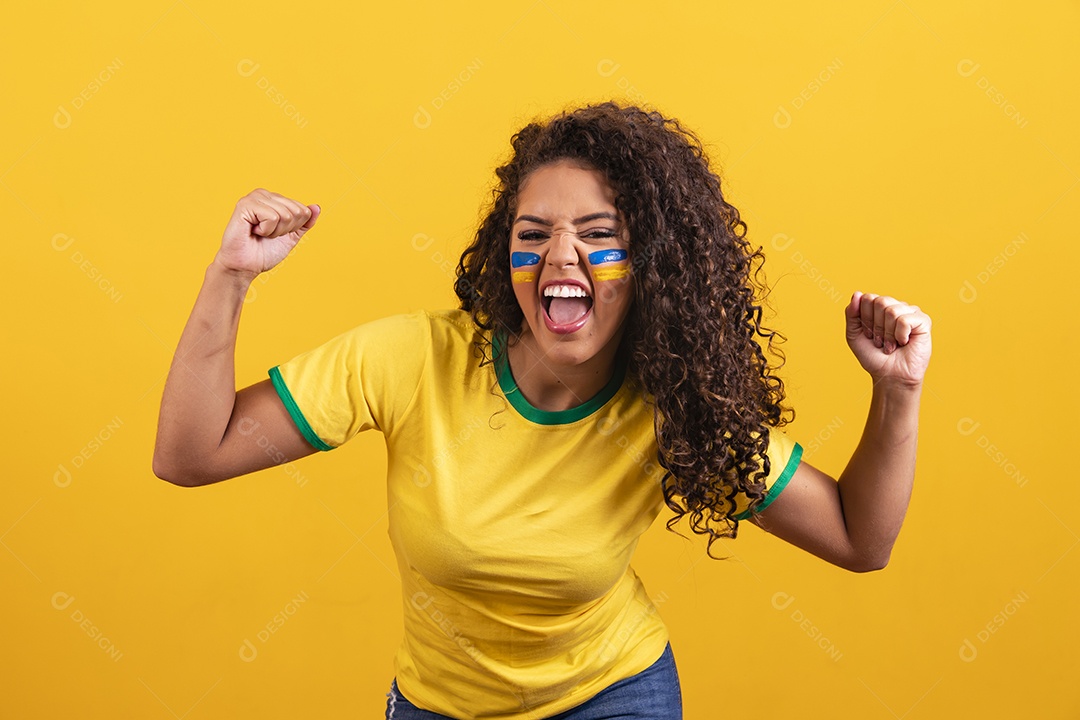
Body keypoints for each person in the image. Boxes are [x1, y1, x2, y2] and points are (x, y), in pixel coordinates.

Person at [153, 101, 932, 719]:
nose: (562, 257)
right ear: (508, 253)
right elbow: (190, 454)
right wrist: (231, 275)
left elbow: (859, 538)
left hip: (615, 699)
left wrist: (897, 391)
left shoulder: (672, 402)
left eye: (598, 235)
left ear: (654, 264)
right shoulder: (409, 361)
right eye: (537, 235)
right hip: (438, 707)